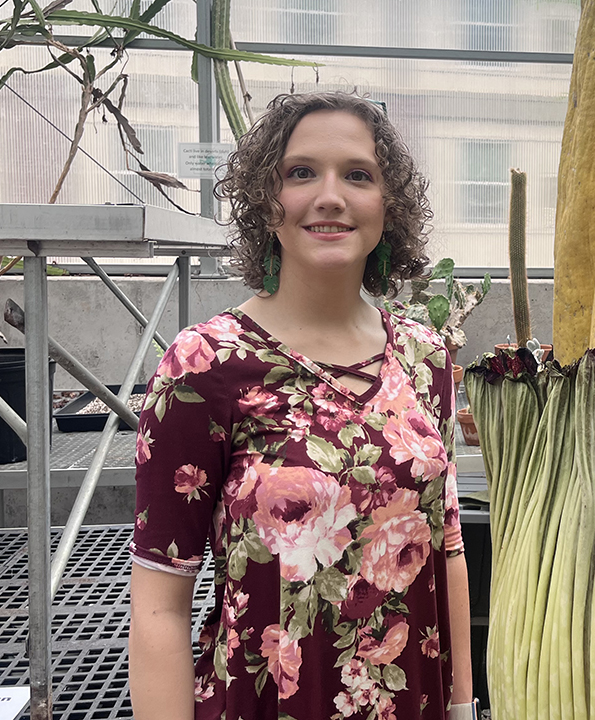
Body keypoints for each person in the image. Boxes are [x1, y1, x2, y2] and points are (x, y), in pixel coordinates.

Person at [127, 91, 474, 720]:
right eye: (301, 171)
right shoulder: (206, 365)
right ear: (266, 200)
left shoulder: (426, 357)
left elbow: (449, 549)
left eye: (358, 175)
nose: (331, 195)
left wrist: (464, 706)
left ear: (388, 206)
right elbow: (158, 604)